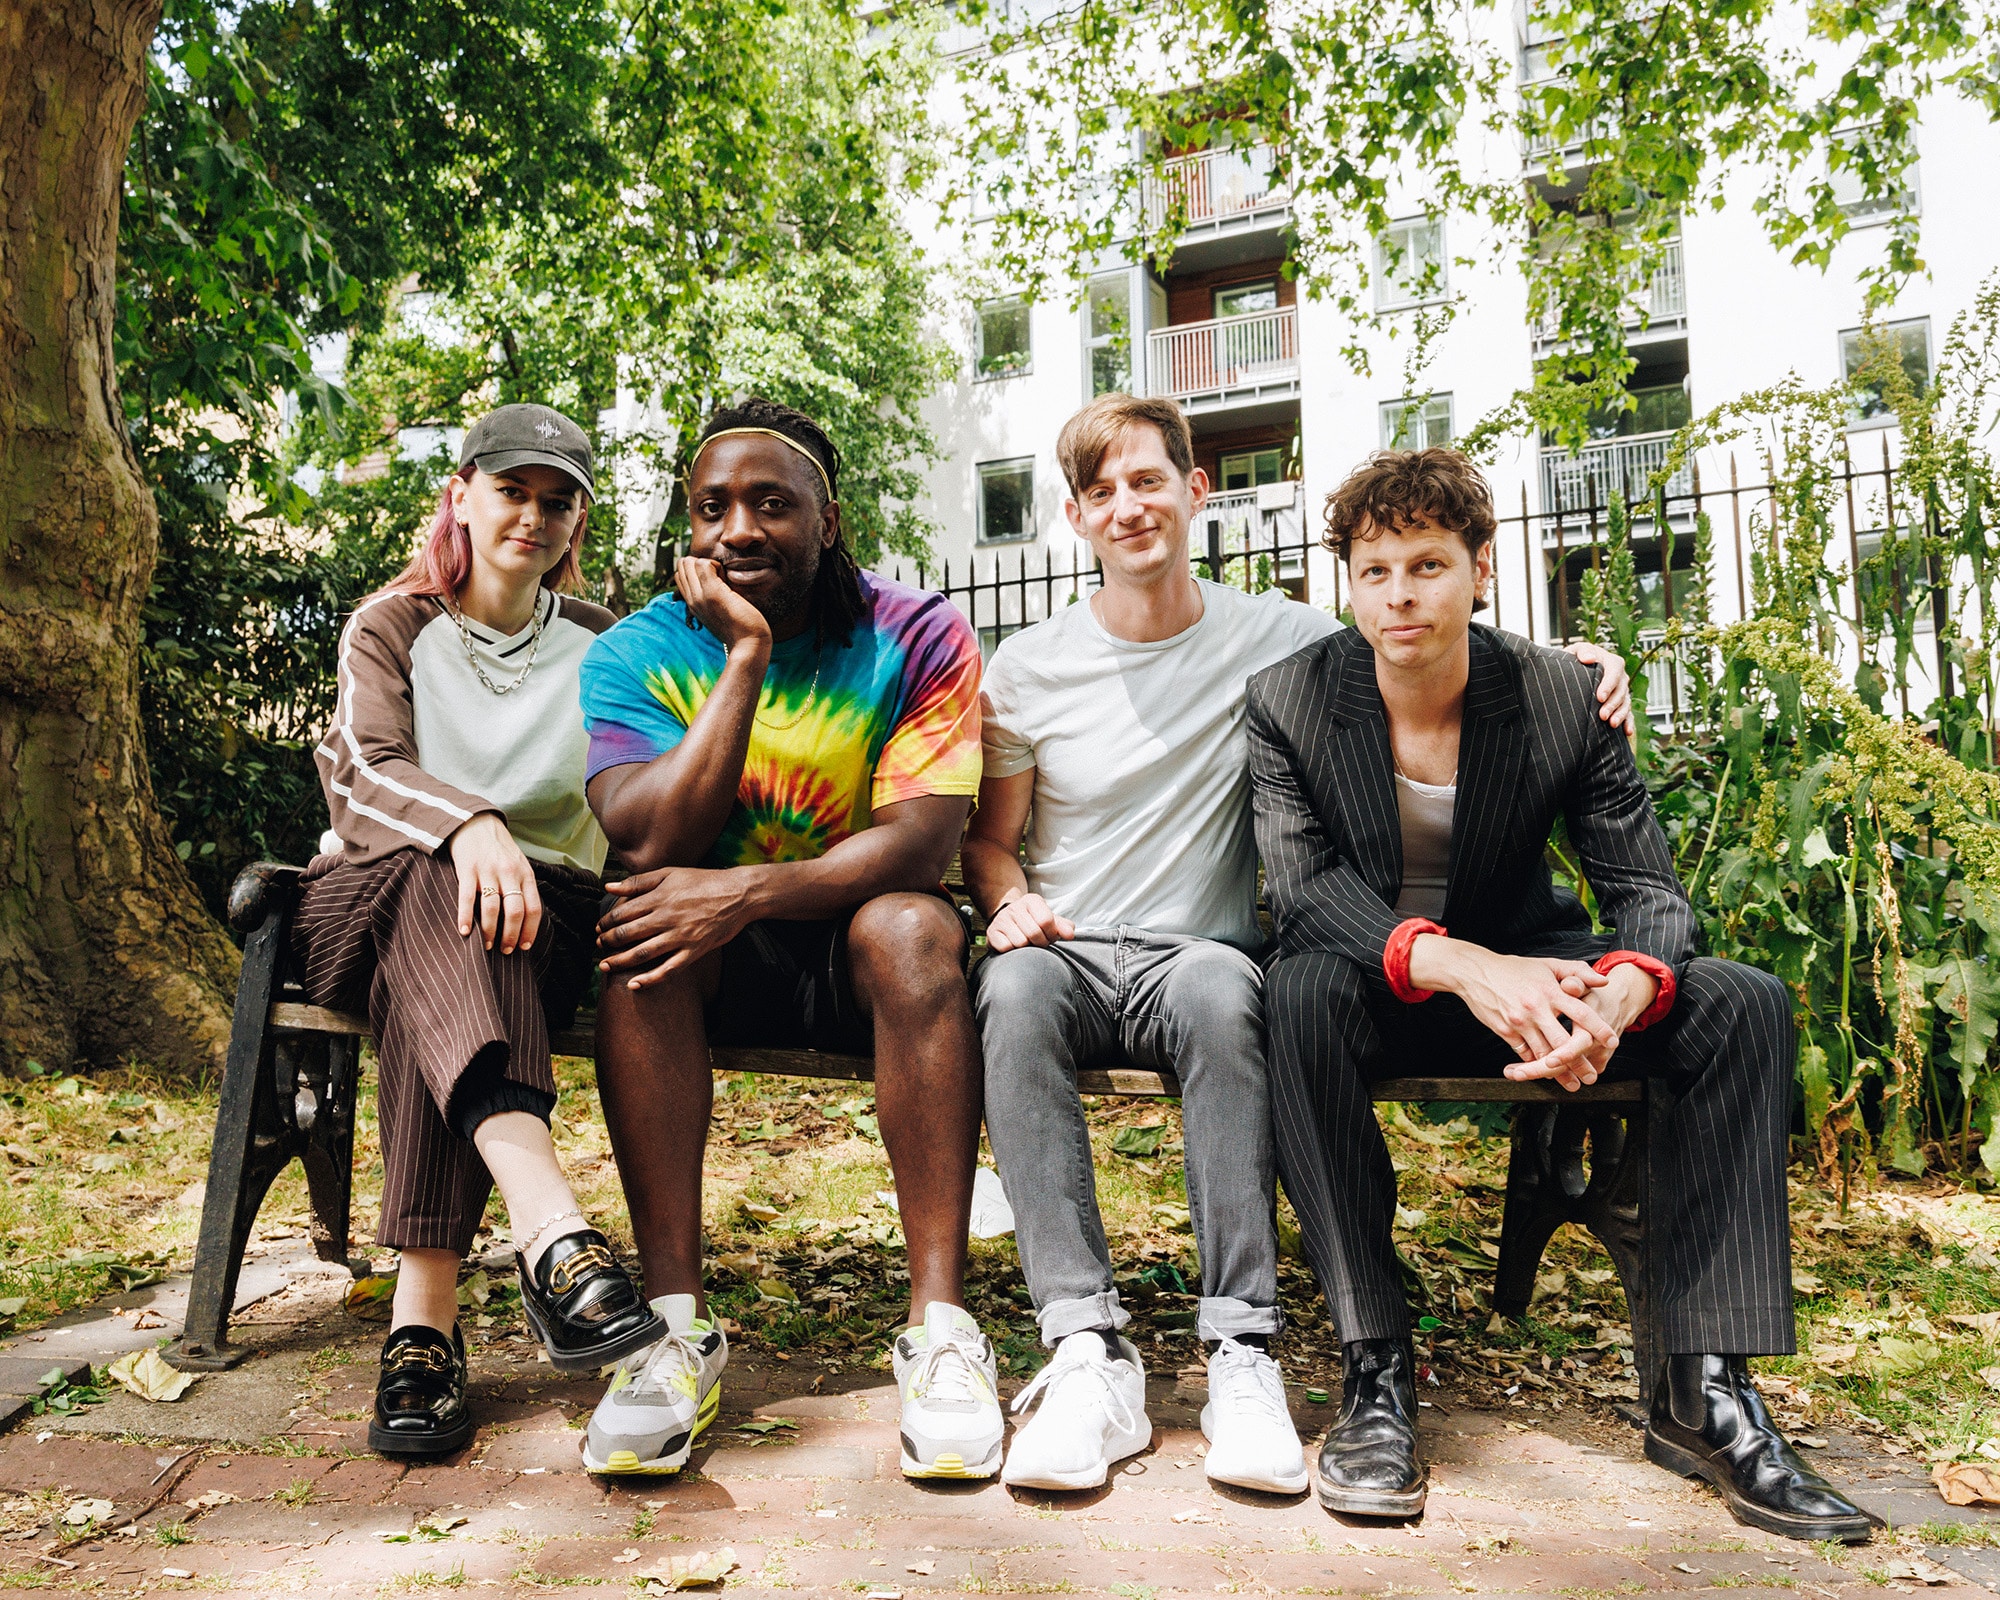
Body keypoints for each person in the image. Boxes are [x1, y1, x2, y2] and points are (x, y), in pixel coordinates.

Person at [961, 395, 1635, 1494]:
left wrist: (1569, 666)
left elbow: (1419, 635)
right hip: (1069, 947)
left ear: (1195, 490)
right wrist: (1006, 901)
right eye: (1100, 492)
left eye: (1146, 480)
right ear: (1075, 518)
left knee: (1236, 992)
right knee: (1014, 989)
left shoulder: (1280, 639)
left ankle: (1241, 1348)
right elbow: (990, 845)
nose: (1127, 507)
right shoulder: (1027, 667)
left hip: (1202, 954)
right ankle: (1085, 1348)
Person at [1247, 446, 1874, 1540]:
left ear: (1480, 569)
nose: (1400, 593)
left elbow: (1646, 890)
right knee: (1291, 991)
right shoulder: (1289, 702)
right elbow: (1304, 897)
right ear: (1345, 580)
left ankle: (1702, 1393)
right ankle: (1375, 1370)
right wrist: (1467, 969)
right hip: (1383, 980)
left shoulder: (1555, 693)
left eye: (1428, 564)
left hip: (1539, 968)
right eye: (1375, 568)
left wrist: (1616, 999)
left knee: (1740, 1002)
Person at [576, 397, 998, 1480]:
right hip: (715, 955)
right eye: (713, 507)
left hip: (854, 945)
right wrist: (745, 656)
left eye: (772, 504)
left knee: (914, 928)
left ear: (828, 518)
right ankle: (671, 1329)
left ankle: (940, 1328)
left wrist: (749, 891)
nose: (740, 530)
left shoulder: (915, 634)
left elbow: (919, 840)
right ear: (686, 523)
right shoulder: (635, 651)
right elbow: (650, 834)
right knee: (641, 925)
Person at [300, 403, 662, 1460]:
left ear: (577, 518)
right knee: (436, 887)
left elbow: (639, 785)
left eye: (557, 501)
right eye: (511, 491)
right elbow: (361, 774)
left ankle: (423, 1329)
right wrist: (467, 824)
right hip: (361, 905)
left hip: (537, 928)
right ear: (462, 493)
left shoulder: (605, 642)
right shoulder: (392, 624)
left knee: (474, 934)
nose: (533, 516)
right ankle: (552, 1231)